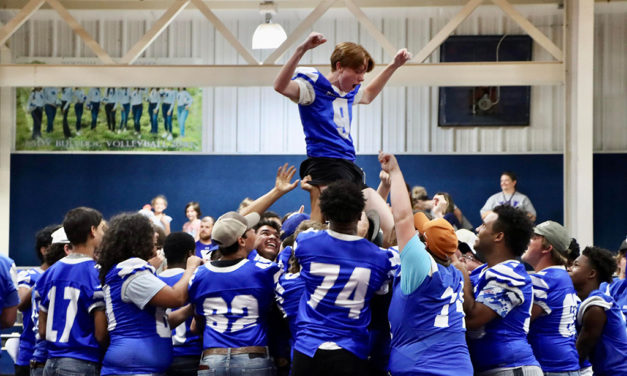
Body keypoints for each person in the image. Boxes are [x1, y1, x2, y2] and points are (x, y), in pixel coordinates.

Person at [273, 32, 411, 247]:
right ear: (339, 66)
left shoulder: (349, 93)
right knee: (338, 230)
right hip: (326, 165)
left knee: (392, 227)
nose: (361, 78)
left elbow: (368, 95)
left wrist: (393, 65)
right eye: (358, 72)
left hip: (349, 167)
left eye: (363, 73)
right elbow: (280, 86)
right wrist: (301, 50)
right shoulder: (312, 89)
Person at [290, 180, 399, 376]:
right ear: (359, 215)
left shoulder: (305, 242)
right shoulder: (382, 258)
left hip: (308, 348)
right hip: (351, 350)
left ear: (326, 213)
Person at [378, 152, 472, 376]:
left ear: (425, 244)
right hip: (458, 365)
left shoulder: (421, 265)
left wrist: (396, 172)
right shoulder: (454, 272)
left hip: (425, 367)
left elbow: (402, 218)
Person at [186, 211, 279, 375]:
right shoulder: (264, 271)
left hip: (212, 359)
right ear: (241, 240)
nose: (253, 232)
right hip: (252, 357)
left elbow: (198, 317)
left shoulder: (199, 275)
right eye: (249, 230)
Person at [459, 205, 542, 375]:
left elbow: (474, 318)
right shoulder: (482, 272)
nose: (477, 228)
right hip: (492, 368)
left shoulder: (510, 274)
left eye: (483, 225)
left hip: (510, 367)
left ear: (498, 236)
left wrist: (459, 269)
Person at [35, 207, 108, 376]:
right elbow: (100, 334)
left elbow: (42, 330)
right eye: (101, 229)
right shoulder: (94, 273)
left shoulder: (50, 272)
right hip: (81, 362)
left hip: (51, 361)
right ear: (93, 231)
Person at [521, 221, 581, 375]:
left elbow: (519, 322)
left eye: (534, 238)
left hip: (552, 366)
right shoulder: (560, 276)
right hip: (564, 364)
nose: (527, 240)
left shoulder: (546, 280)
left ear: (547, 248)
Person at [569, 246, 627, 375]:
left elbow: (579, 355)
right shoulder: (585, 301)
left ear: (591, 273)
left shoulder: (596, 308)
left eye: (576, 265)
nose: (569, 269)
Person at [14, 225, 57, 376]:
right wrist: (46, 279)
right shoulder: (29, 275)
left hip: (57, 354)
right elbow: (20, 302)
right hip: (31, 354)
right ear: (44, 250)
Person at [158, 232, 202, 376]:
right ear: (191, 255)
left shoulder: (151, 280)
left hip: (161, 355)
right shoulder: (195, 280)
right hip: (191, 354)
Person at [30, 227, 72, 376]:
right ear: (67, 249)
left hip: (43, 358)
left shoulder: (45, 277)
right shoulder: (64, 279)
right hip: (58, 358)